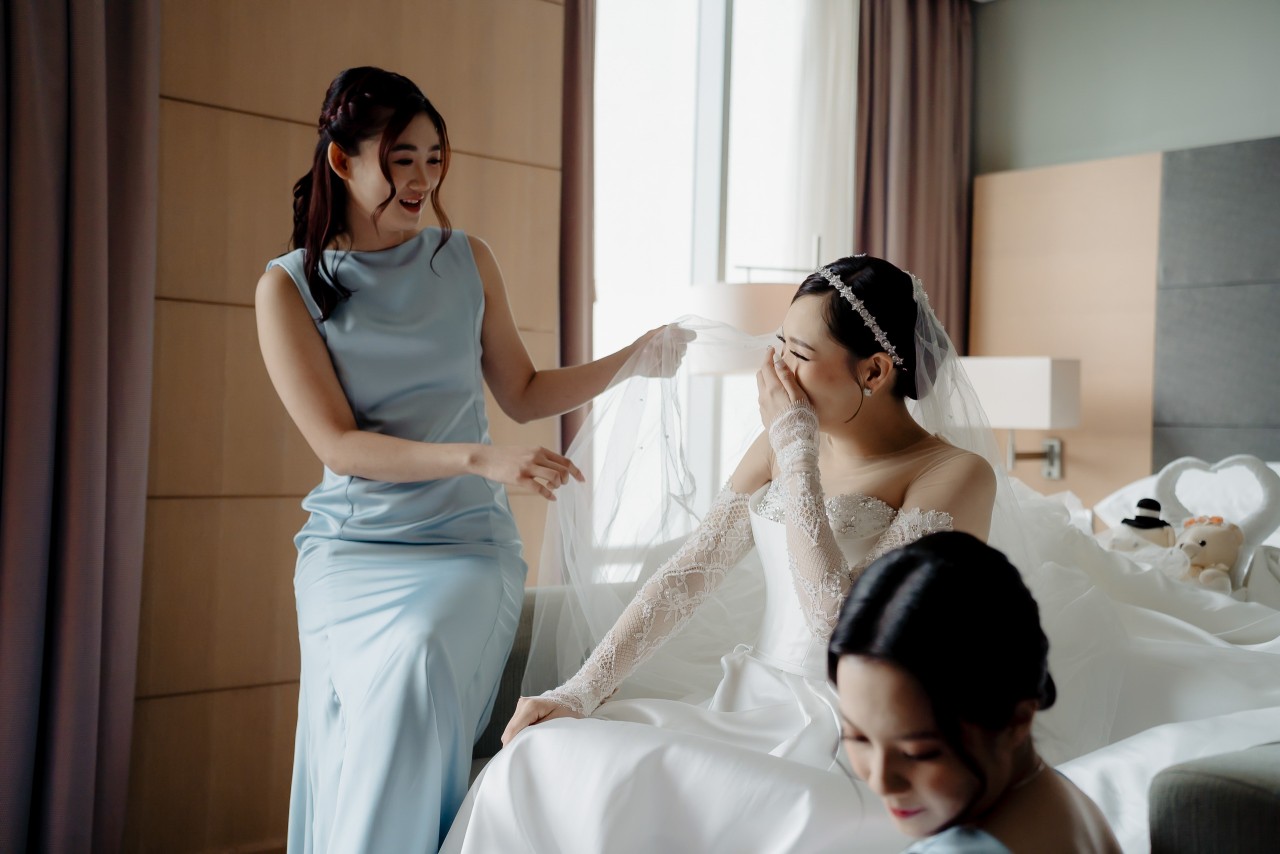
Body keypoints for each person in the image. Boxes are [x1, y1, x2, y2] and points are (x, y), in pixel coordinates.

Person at [441, 255, 1001, 853]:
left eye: (798, 355)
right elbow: (687, 575)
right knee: (540, 751)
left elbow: (842, 629)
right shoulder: (780, 441)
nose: (776, 371)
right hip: (749, 703)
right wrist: (579, 691)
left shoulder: (952, 474)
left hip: (854, 731)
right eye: (779, 344)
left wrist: (796, 452)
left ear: (875, 370)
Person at [255, 66, 675, 852]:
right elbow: (338, 445)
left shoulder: (465, 261)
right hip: (350, 553)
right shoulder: (286, 290)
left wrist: (636, 358)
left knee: (416, 658)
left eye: (434, 159)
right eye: (401, 160)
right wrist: (480, 459)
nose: (422, 180)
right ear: (343, 161)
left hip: (464, 549)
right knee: (357, 732)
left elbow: (523, 391)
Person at [829, 531, 1121, 853]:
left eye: (918, 753)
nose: (880, 782)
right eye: (857, 738)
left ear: (1016, 720)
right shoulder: (1058, 797)